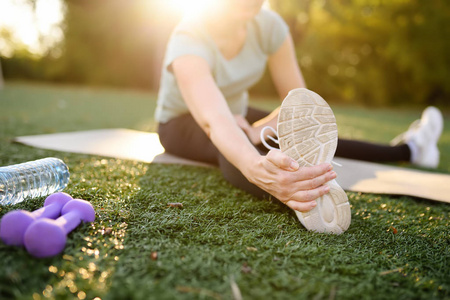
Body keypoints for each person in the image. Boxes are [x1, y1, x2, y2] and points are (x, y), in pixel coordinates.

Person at [154, 0, 443, 233]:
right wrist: (254, 165)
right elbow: (213, 120)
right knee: (235, 146)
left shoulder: (269, 26)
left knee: (309, 135)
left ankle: (412, 149)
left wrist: (259, 130)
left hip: (238, 115)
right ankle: (303, 202)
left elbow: (301, 108)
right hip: (180, 123)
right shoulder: (188, 38)